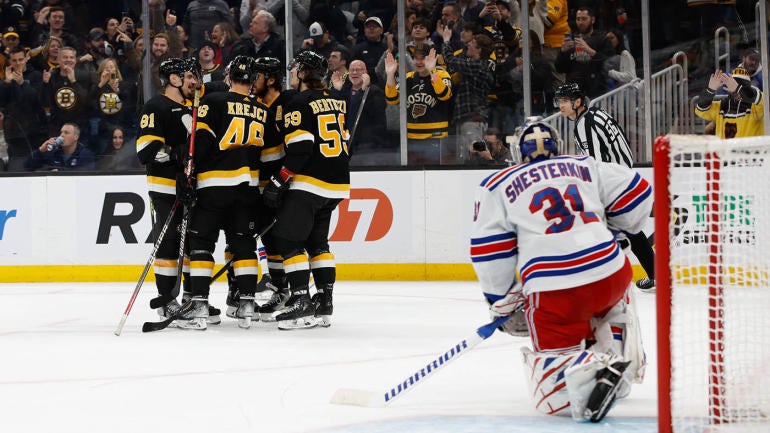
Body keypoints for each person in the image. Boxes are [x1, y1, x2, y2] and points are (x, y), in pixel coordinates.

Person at [470, 120, 650, 422]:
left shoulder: (497, 184)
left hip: (554, 292)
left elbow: (490, 248)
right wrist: (617, 232)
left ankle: (589, 372)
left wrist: (499, 299)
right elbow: (638, 192)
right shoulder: (586, 165)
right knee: (609, 304)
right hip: (610, 272)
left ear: (518, 153)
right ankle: (614, 346)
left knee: (554, 395)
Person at [176, 55, 282, 330]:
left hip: (213, 185)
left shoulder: (214, 101)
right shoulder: (262, 109)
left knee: (202, 245)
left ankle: (199, 305)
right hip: (247, 189)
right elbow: (271, 156)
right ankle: (246, 304)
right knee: (244, 246)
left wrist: (187, 174)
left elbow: (201, 141)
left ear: (229, 77)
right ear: (251, 81)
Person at [262, 50, 350, 329]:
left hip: (309, 183)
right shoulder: (336, 101)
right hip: (336, 184)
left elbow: (300, 149)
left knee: (288, 241)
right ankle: (324, 302)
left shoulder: (299, 102)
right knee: (317, 244)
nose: (291, 73)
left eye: (295, 69)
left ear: (303, 73)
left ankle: (301, 300)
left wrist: (279, 180)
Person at [135, 57, 221, 325]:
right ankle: (166, 302)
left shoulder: (193, 107)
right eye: (190, 76)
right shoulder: (156, 106)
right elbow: (146, 150)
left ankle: (190, 298)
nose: (195, 81)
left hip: (191, 188)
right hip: (164, 188)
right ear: (174, 79)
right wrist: (176, 155)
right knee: (170, 244)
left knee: (192, 244)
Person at [554, 82, 656, 293]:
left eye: (564, 100)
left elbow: (597, 165)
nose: (560, 105)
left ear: (578, 101)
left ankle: (600, 278)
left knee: (600, 229)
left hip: (615, 183)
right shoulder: (595, 114)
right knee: (632, 232)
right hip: (624, 176)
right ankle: (657, 275)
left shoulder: (585, 124)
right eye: (559, 101)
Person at [384, 45, 452, 165]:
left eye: (423, 58)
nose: (419, 62)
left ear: (432, 59)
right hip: (411, 140)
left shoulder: (442, 75)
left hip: (436, 139)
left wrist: (432, 72)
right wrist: (390, 76)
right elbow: (392, 99)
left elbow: (445, 95)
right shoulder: (408, 78)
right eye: (416, 58)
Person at [441, 28, 495, 163]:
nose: (468, 45)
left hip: (471, 119)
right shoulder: (477, 65)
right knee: (467, 155)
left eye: (472, 43)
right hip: (469, 118)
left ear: (479, 49)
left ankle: (492, 163)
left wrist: (446, 41)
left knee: (476, 147)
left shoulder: (478, 66)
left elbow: (450, 60)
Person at [555, 6, 613, 97]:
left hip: (596, 91)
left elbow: (610, 63)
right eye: (578, 19)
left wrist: (589, 50)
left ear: (592, 20)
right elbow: (560, 68)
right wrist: (562, 52)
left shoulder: (602, 39)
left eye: (584, 19)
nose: (580, 22)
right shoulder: (571, 40)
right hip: (574, 91)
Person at [695, 67, 764, 139]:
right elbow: (701, 110)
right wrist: (710, 91)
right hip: (725, 149)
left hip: (749, 149)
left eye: (742, 84)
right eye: (733, 83)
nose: (734, 87)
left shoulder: (756, 106)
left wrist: (738, 89)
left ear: (749, 87)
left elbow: (759, 99)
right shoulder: (722, 104)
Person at [25, 122, 95, 171]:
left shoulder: (85, 154)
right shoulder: (53, 152)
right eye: (61, 132)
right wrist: (40, 150)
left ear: (75, 137)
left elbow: (85, 175)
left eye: (66, 133)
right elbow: (28, 167)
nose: (62, 135)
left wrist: (60, 172)